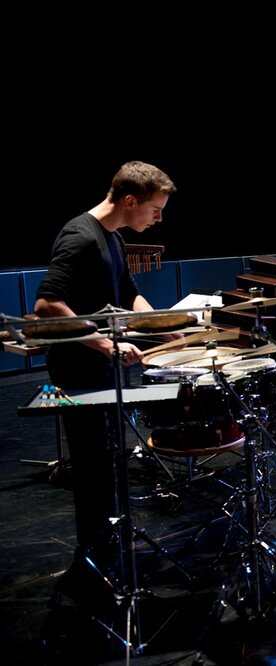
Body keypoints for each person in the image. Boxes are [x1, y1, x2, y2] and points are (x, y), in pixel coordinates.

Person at [34, 161, 177, 584]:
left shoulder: (112, 237)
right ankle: (90, 566)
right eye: (155, 209)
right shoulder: (80, 237)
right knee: (93, 470)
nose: (159, 218)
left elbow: (129, 294)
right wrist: (105, 344)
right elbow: (47, 305)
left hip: (101, 367)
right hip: (78, 371)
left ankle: (106, 551)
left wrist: (167, 326)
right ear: (130, 200)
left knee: (109, 463)